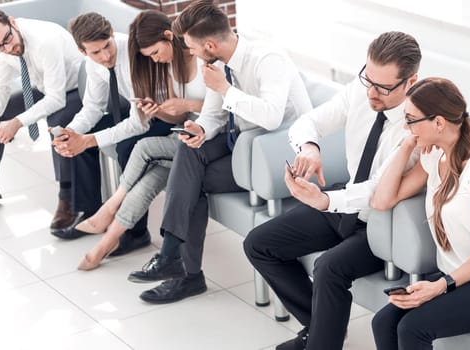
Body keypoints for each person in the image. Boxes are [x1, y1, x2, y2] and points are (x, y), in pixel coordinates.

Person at [243, 31, 422, 350]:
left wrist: (326, 200)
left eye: (383, 87)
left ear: (410, 82)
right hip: (344, 203)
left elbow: (377, 188)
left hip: (384, 223)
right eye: (369, 78)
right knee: (259, 244)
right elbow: (309, 122)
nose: (372, 94)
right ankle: (320, 330)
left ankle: (321, 341)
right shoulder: (361, 89)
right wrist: (309, 147)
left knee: (327, 268)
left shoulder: (416, 123)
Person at [133, 0, 312, 304]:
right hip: (243, 146)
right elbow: (214, 115)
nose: (189, 52)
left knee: (190, 181)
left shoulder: (267, 59)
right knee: (188, 153)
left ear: (211, 44)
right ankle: (173, 258)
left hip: (278, 155)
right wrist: (200, 129)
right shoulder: (217, 65)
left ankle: (182, 270)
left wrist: (226, 89)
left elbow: (270, 117)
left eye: (192, 47)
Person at [370, 77, 470, 350]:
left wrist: (439, 285)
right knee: (383, 322)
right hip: (463, 276)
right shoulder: (434, 156)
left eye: (411, 120)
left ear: (438, 123)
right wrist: (407, 146)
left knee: (413, 329)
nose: (406, 127)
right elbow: (383, 199)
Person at [75, 10, 205, 270]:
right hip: (185, 130)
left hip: (204, 135)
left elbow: (215, 112)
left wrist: (182, 107)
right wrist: (161, 109)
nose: (155, 60)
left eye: (155, 53)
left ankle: (109, 210)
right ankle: (108, 241)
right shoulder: (168, 64)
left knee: (140, 147)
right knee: (149, 177)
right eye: (95, 53)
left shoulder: (202, 62)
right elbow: (173, 116)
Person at [49, 12, 174, 246]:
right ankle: (91, 212)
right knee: (82, 136)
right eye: (95, 52)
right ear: (82, 51)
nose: (105, 56)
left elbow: (140, 123)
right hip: (136, 114)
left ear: (111, 35)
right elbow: (92, 108)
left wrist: (87, 140)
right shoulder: (92, 62)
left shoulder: (135, 52)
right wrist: (72, 133)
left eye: (107, 46)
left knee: (128, 147)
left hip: (164, 116)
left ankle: (136, 233)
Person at [0, 9, 82, 232]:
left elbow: (57, 98)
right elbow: (0, 86)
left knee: (57, 126)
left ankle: (68, 200)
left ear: (12, 22)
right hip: (44, 88)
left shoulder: (45, 40)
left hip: (76, 89)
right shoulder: (0, 48)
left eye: (7, 39)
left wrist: (17, 122)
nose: (7, 49)